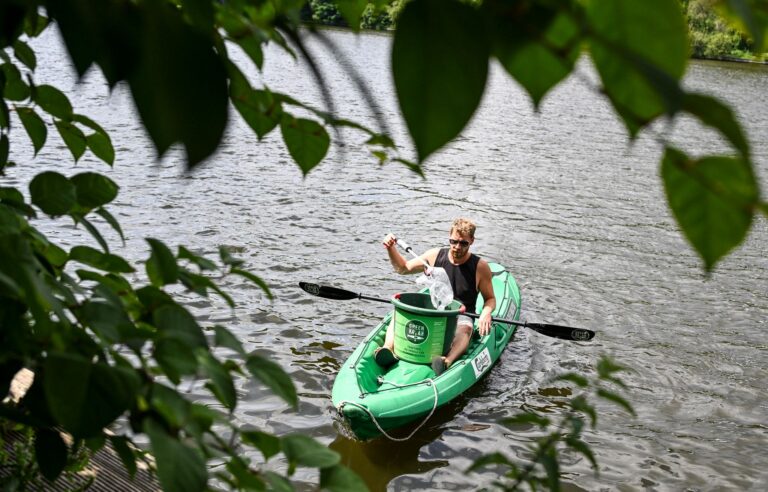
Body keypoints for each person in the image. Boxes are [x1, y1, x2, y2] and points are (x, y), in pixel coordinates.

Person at [377, 218, 496, 376]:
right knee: (399, 313)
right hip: (434, 309)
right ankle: (387, 349)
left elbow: (490, 298)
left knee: (466, 329)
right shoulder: (434, 256)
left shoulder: (480, 267)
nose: (457, 247)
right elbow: (403, 268)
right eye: (453, 241)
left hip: (461, 314)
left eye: (463, 243)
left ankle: (447, 361)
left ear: (472, 241)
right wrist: (391, 248)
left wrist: (486, 313)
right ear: (449, 236)